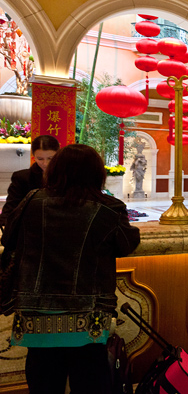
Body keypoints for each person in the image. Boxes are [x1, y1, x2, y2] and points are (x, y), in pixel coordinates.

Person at [0, 144, 141, 393]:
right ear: (97, 174)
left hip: (36, 313)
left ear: (54, 170)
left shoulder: (31, 201)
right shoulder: (109, 208)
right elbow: (127, 243)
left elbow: (8, 237)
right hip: (89, 316)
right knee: (89, 384)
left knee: (43, 384)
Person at [0, 135, 60, 226]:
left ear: (58, 154)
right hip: (31, 228)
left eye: (50, 158)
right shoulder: (22, 177)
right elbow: (10, 209)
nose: (45, 163)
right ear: (33, 156)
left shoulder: (66, 176)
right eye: (40, 159)